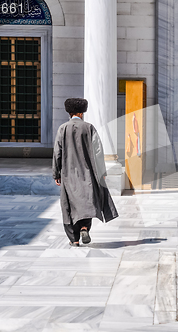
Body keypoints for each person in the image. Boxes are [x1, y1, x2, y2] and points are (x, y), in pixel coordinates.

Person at [53, 98, 119, 247]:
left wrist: (56, 173)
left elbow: (57, 152)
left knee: (69, 205)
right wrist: (102, 171)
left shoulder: (62, 129)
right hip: (88, 174)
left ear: (69, 112)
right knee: (87, 202)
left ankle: (74, 239)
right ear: (82, 113)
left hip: (68, 175)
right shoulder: (89, 128)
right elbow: (98, 152)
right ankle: (84, 227)